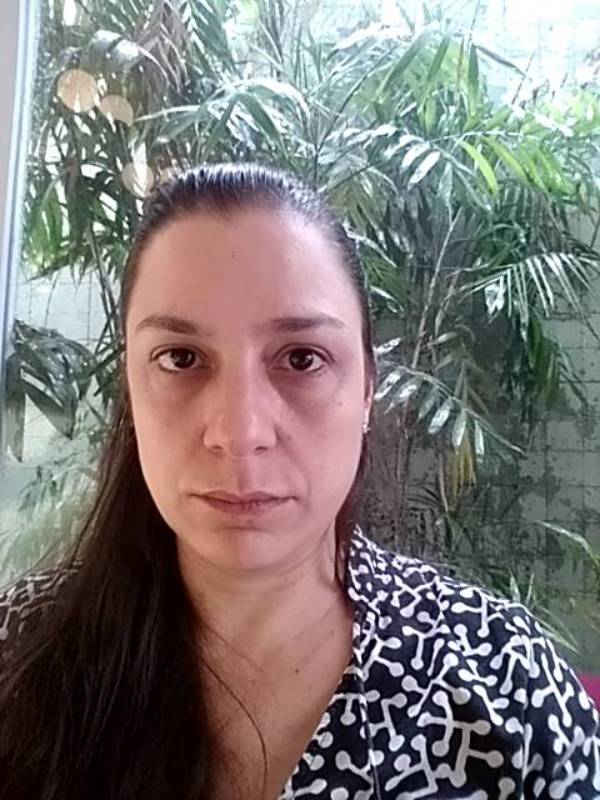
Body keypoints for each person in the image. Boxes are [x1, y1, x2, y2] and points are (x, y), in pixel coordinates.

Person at [0, 162, 598, 800]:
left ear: (366, 390)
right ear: (130, 387)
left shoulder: (503, 680)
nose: (240, 431)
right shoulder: (17, 651)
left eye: (302, 358)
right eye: (181, 358)